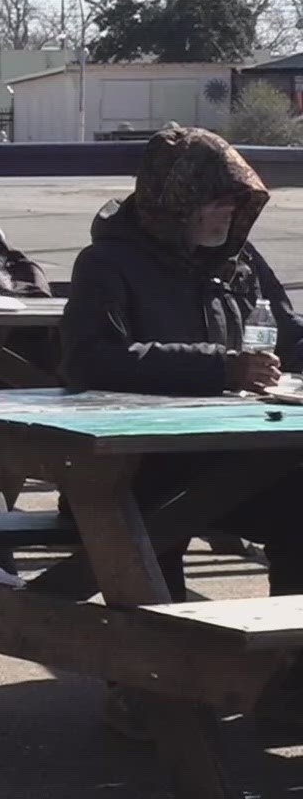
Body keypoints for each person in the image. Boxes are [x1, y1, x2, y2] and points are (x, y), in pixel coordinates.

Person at [61, 126, 303, 601]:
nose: (228, 212)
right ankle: (154, 663)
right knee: (151, 541)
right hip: (137, 468)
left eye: (235, 201)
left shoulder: (240, 261)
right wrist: (222, 368)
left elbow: (290, 337)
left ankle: (289, 660)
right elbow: (92, 361)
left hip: (236, 458)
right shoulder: (106, 263)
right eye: (216, 200)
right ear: (176, 200)